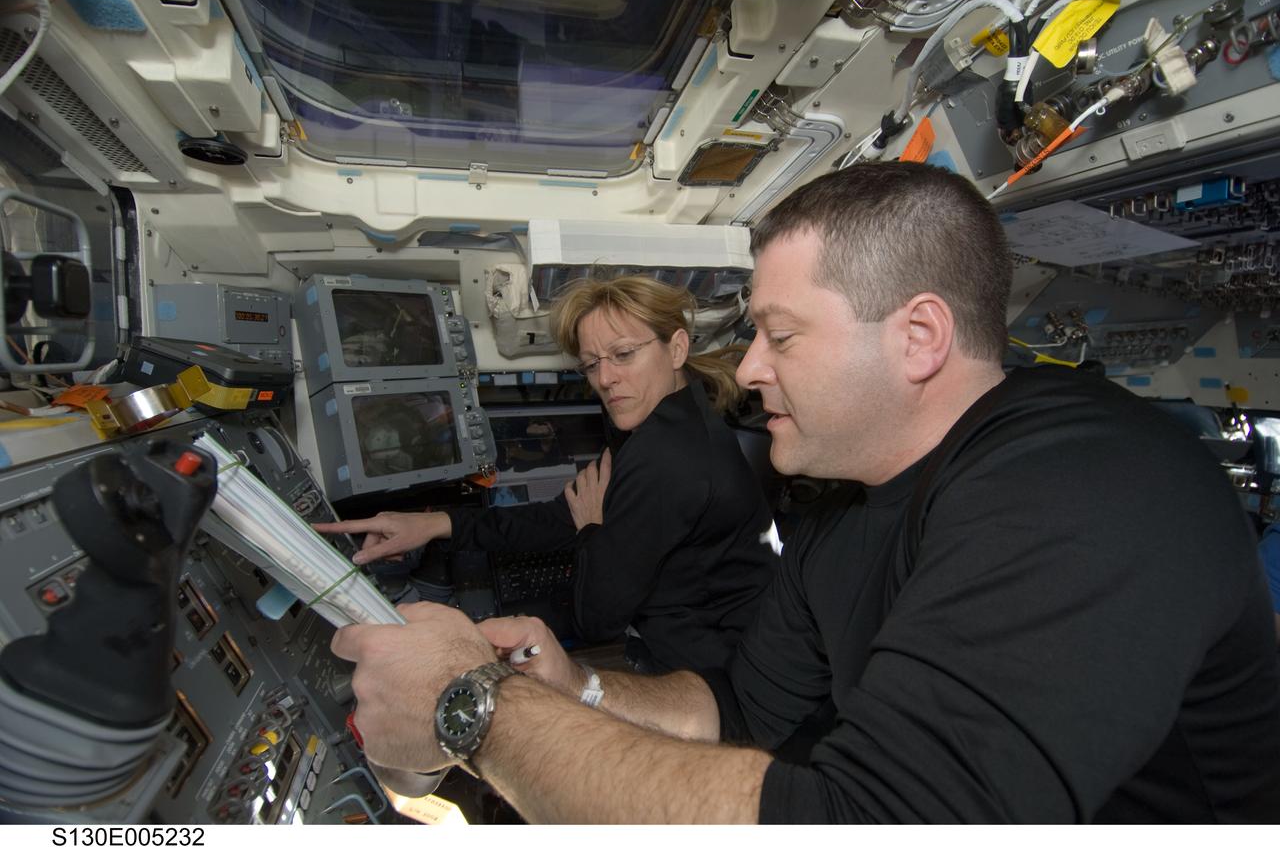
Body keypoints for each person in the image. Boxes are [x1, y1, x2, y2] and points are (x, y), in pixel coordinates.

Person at [330, 163, 1280, 822]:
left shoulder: (1093, 488)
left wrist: (476, 709)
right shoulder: (841, 499)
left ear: (917, 338)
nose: (745, 371)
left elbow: (874, 821)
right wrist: (572, 687)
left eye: (779, 337)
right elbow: (742, 710)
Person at [318, 276, 778, 673]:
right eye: (592, 364)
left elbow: (596, 619)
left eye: (622, 355)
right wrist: (436, 524)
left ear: (676, 348)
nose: (605, 379)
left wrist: (592, 529)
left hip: (709, 673)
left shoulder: (668, 458)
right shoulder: (666, 421)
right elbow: (566, 514)